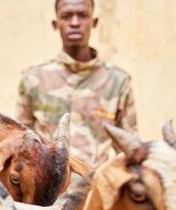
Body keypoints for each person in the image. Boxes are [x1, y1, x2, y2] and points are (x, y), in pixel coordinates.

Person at [16, 0, 138, 165]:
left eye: (82, 15)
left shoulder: (117, 81)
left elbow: (128, 151)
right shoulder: (34, 79)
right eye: (66, 16)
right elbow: (20, 143)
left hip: (94, 187)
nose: (74, 23)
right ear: (55, 24)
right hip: (48, 187)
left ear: (94, 22)